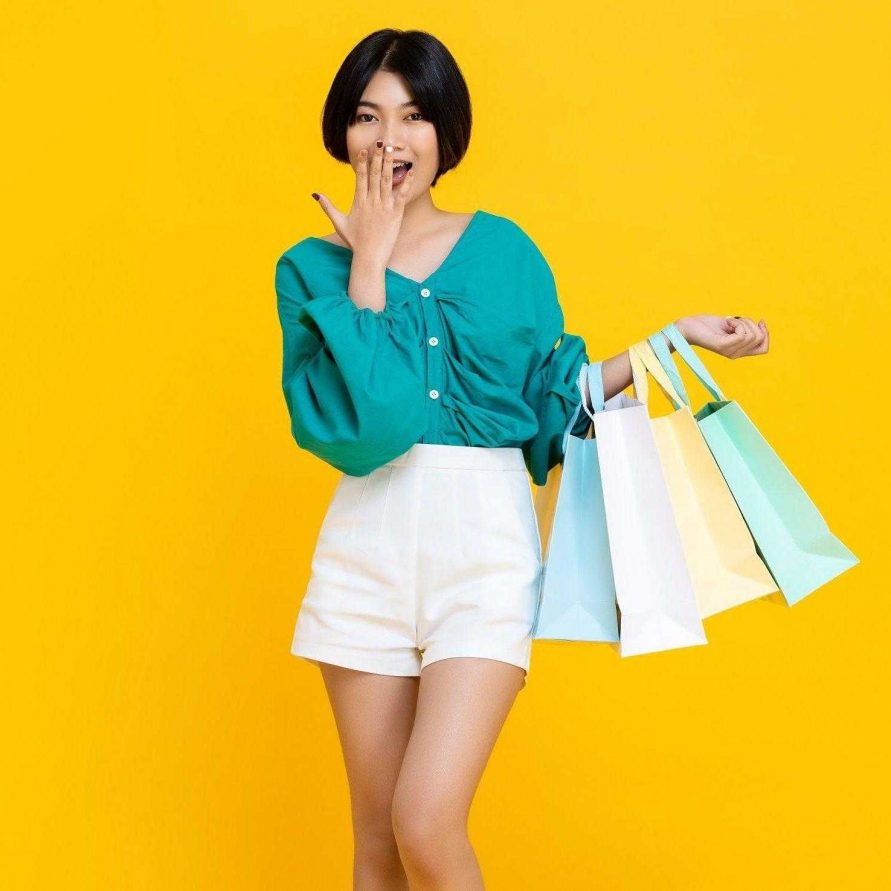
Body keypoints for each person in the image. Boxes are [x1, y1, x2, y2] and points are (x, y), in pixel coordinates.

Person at [275, 28, 769, 891]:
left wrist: (668, 340)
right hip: (366, 549)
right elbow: (367, 430)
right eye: (367, 117)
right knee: (376, 837)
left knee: (425, 815)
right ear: (341, 133)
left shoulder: (505, 252)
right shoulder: (308, 271)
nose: (389, 139)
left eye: (413, 116)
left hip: (484, 549)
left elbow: (548, 405)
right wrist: (369, 267)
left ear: (445, 133)